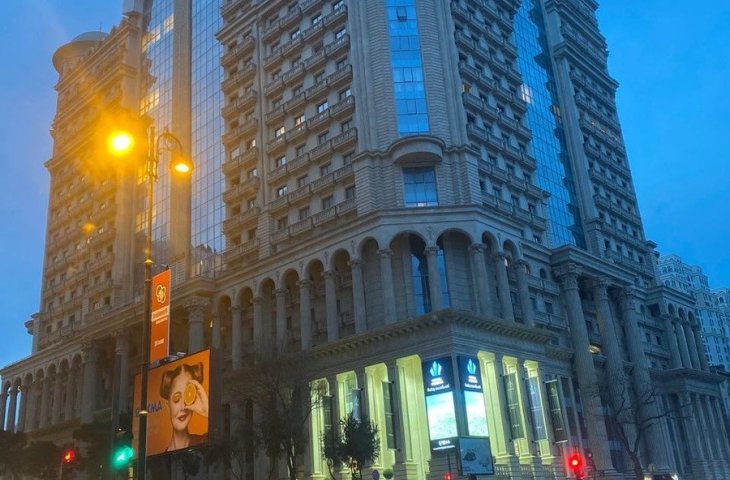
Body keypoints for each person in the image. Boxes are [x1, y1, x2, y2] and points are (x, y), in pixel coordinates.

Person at [159, 362, 209, 451]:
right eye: (177, 398)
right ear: (168, 405)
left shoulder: (204, 442)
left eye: (188, 397)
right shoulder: (160, 457)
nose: (183, 407)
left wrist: (207, 412)